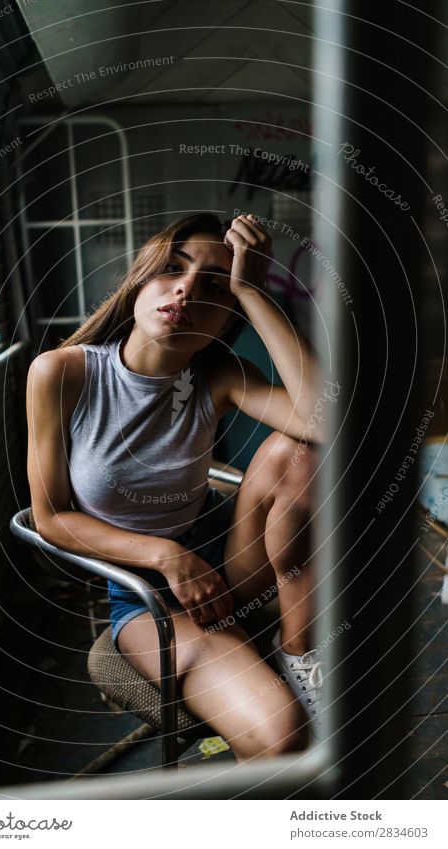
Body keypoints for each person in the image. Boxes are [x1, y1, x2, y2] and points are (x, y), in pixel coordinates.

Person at [26, 212, 325, 762]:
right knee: (281, 739)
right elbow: (51, 517)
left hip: (233, 556)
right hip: (145, 591)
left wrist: (254, 290)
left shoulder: (219, 374)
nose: (186, 290)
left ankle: (301, 657)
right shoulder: (62, 373)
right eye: (172, 269)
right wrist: (167, 557)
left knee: (300, 454)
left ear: (227, 313)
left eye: (214, 285)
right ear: (141, 280)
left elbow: (326, 420)